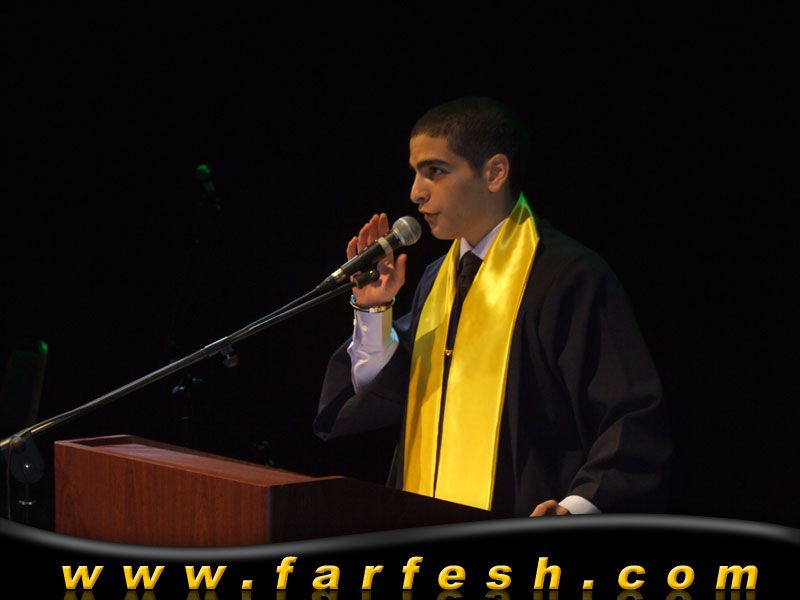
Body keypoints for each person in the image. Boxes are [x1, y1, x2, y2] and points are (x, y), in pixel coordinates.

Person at [315, 97, 670, 517]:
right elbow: (393, 395)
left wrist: (576, 508)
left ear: (495, 172)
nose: (415, 192)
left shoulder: (567, 276)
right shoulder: (436, 279)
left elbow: (631, 416)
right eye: (415, 172)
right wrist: (374, 311)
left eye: (435, 171)